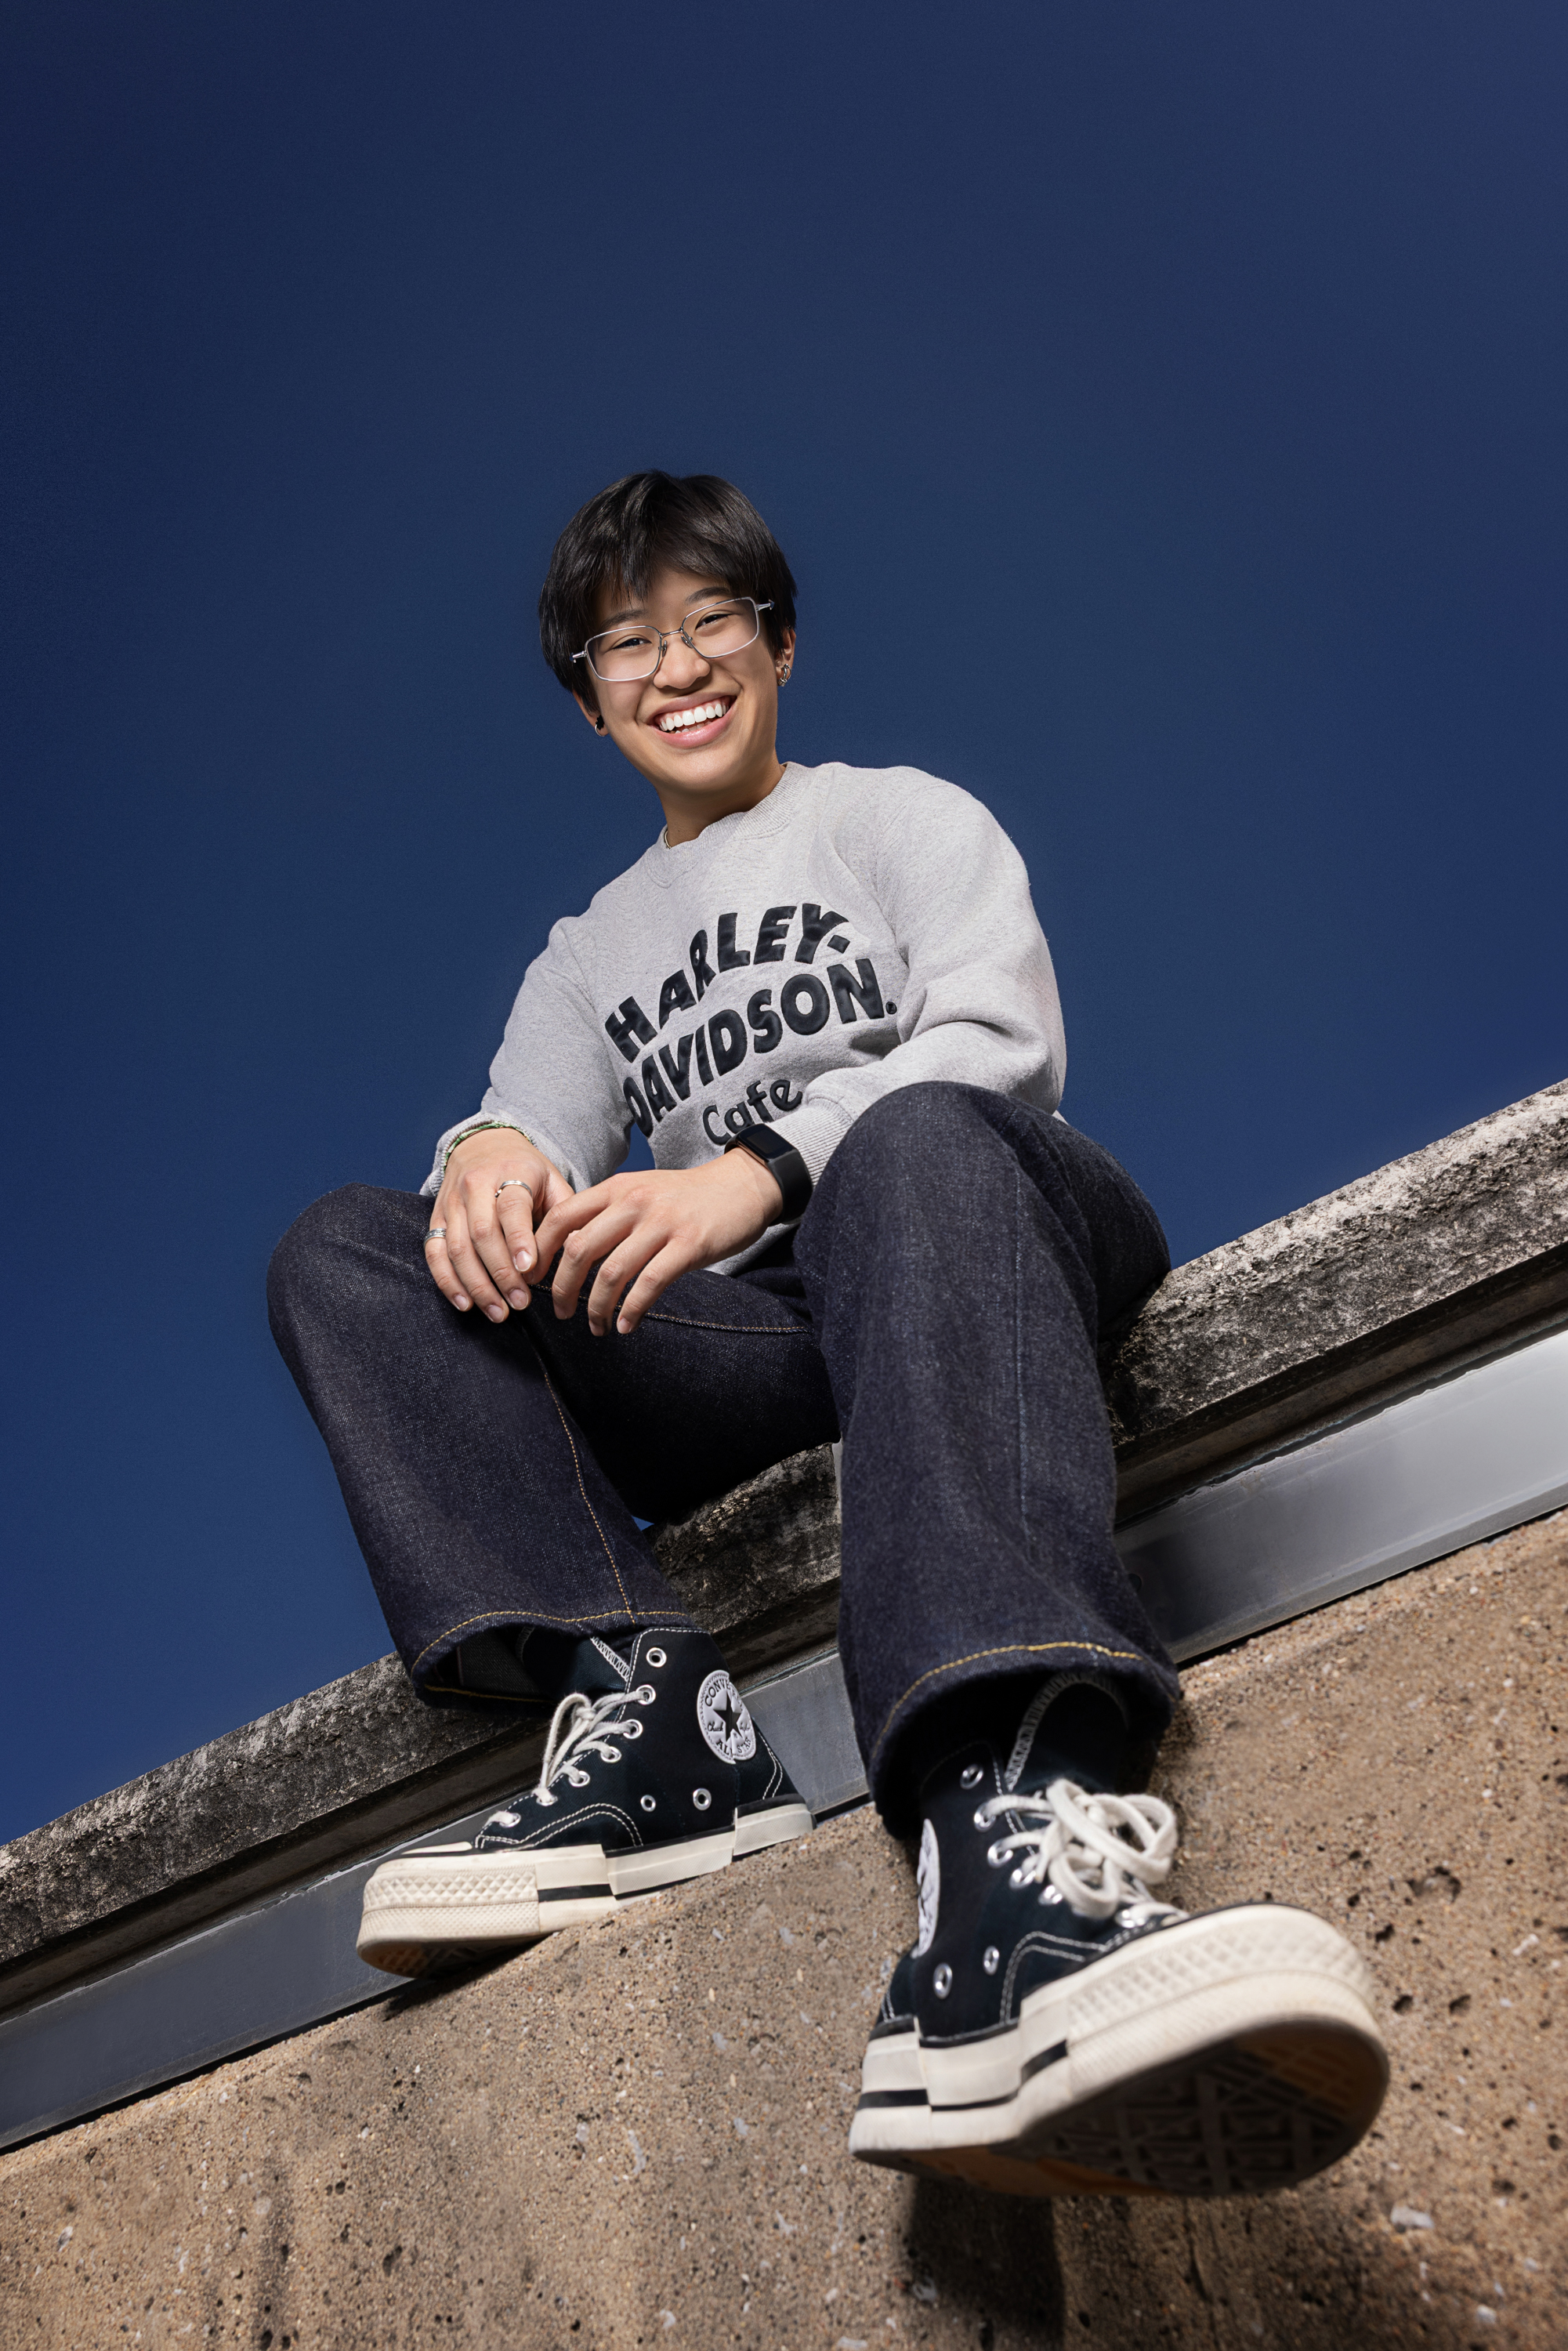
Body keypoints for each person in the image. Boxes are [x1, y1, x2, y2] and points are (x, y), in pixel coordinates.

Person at [268, 471, 1386, 2199]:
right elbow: (521, 1130)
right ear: (590, 699)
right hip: (749, 1345)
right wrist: (488, 1164)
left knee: (916, 1145)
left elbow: (997, 1040)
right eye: (630, 643)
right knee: (351, 1251)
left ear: (778, 647)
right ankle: (644, 1718)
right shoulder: (586, 957)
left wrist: (754, 1168)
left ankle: (1007, 1843)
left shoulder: (893, 819)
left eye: (715, 622)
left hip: (964, 1235)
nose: (679, 664)